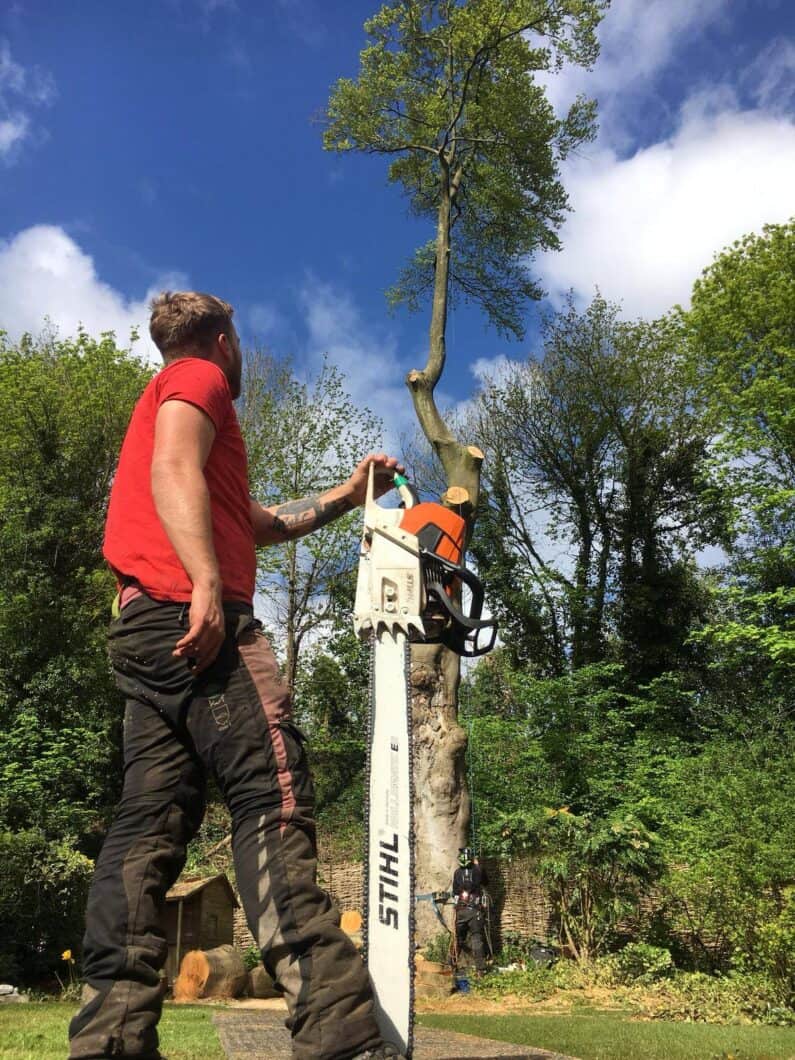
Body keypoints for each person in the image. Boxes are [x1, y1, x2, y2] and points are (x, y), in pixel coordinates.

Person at [68, 291, 405, 1060]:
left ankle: (109, 1039)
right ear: (223, 339)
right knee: (272, 794)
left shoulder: (174, 401)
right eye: (240, 339)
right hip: (194, 618)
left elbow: (263, 522)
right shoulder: (200, 378)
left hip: (144, 632)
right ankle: (340, 1035)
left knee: (146, 825)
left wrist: (350, 497)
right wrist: (207, 586)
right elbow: (173, 465)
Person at [452, 847, 488, 975]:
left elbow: (455, 893)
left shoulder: (457, 873)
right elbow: (486, 882)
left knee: (458, 939)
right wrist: (478, 865)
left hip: (461, 910)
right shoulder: (478, 870)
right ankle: (481, 970)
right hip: (475, 911)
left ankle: (450, 966)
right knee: (476, 939)